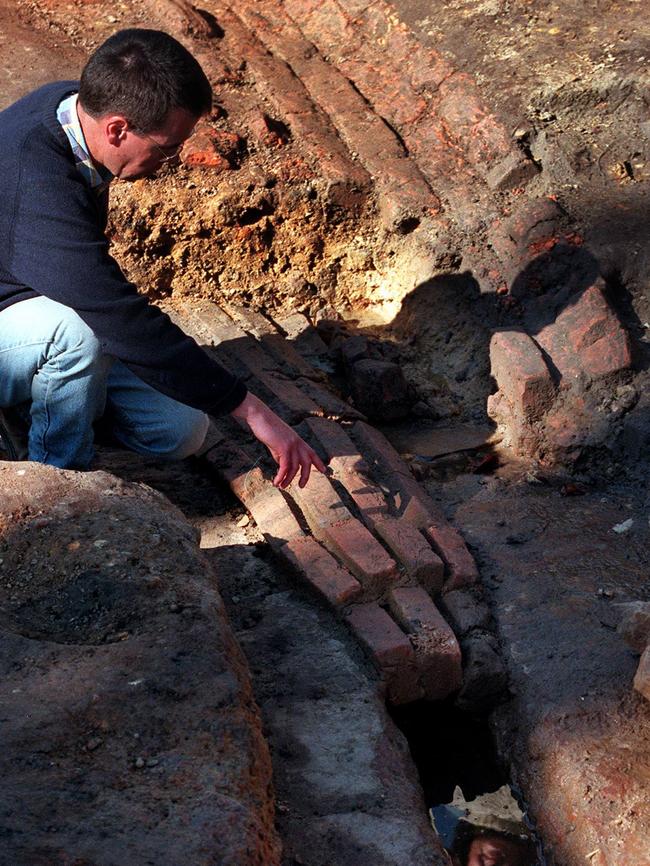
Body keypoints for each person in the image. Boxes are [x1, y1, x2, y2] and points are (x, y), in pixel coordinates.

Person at [0, 28, 325, 488]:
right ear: (117, 128)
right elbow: (116, 312)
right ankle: (59, 484)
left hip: (30, 307)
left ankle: (42, 399)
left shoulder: (70, 107)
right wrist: (251, 408)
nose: (170, 161)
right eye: (166, 148)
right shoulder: (32, 181)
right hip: (20, 325)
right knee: (77, 332)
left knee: (178, 432)